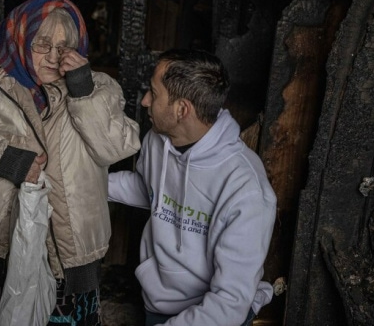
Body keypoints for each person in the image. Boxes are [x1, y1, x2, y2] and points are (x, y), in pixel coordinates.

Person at [0, 0, 141, 326]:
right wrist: (4, 158)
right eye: (43, 45)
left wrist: (82, 93)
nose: (55, 58)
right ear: (21, 38)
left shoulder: (99, 87)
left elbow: (115, 148)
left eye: (66, 48)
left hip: (73, 254)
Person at [108, 49, 277, 326]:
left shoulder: (245, 189)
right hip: (157, 302)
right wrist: (86, 185)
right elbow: (147, 188)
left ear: (182, 109)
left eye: (154, 93)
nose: (145, 101)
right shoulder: (157, 139)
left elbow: (228, 303)